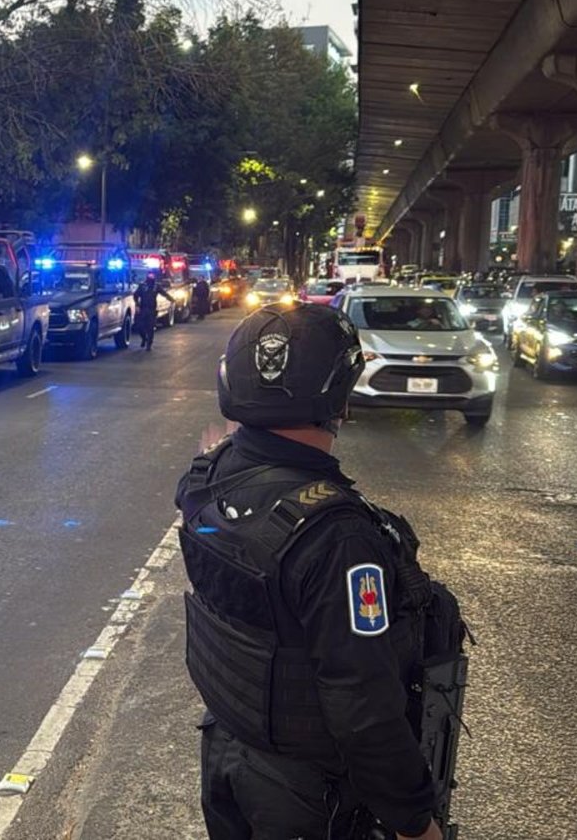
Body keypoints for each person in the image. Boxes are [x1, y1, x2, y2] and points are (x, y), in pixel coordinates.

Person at [176, 303, 452, 840]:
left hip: (227, 755)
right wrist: (414, 821)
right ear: (340, 402)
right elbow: (363, 704)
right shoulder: (338, 538)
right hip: (309, 796)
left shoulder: (206, 476)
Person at [132, 269, 175, 351]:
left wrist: (172, 299)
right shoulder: (142, 286)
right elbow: (135, 295)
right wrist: (137, 305)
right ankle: (144, 338)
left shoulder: (156, 286)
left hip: (152, 310)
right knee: (140, 327)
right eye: (150, 275)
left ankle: (149, 344)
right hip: (143, 309)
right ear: (147, 276)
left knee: (150, 328)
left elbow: (164, 293)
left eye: (152, 275)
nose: (151, 276)